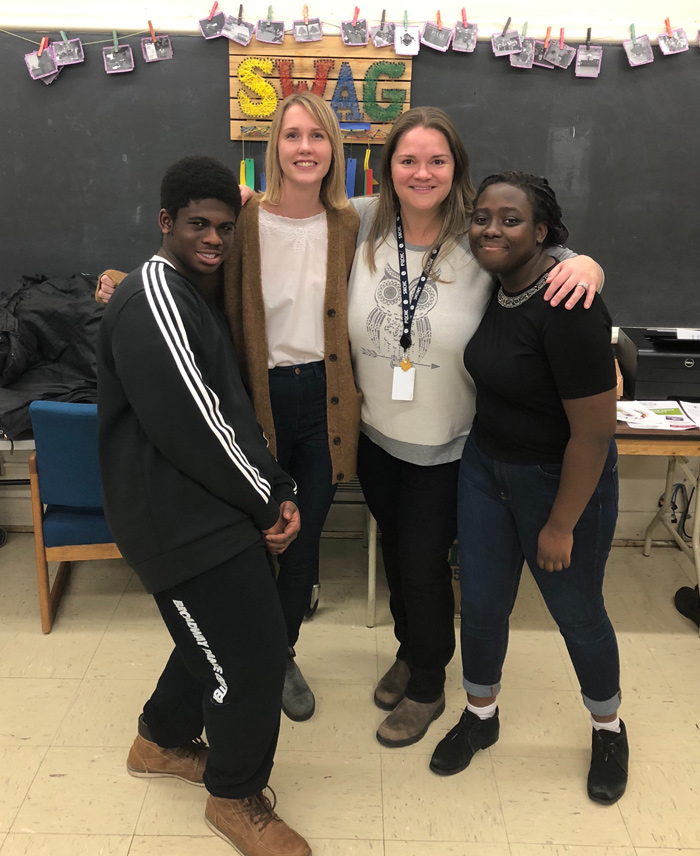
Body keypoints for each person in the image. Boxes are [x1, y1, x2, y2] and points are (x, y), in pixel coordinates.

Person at [96, 93, 360, 724]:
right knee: (257, 536)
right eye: (292, 135)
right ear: (274, 146)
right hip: (258, 397)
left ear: (333, 150)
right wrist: (114, 276)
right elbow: (185, 268)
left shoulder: (356, 222)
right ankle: (248, 652)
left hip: (326, 399)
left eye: (317, 136)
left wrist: (577, 260)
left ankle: (282, 651)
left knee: (303, 535)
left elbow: (442, 229)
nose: (304, 148)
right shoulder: (241, 220)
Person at [346, 107, 604, 749]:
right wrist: (246, 196)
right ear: (389, 171)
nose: (422, 172)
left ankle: (429, 683)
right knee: (399, 557)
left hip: (452, 442)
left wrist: (585, 263)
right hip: (377, 435)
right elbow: (287, 211)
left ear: (456, 169)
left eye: (438, 160)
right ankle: (412, 650)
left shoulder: (479, 237)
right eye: (408, 159)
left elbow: (542, 249)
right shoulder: (360, 225)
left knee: (426, 563)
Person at [97, 155, 310, 856]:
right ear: (166, 223)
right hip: (175, 521)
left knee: (211, 640)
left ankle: (157, 742)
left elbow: (231, 413)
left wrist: (274, 492)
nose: (214, 237)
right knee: (252, 659)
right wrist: (266, 505)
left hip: (210, 507)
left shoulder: (193, 292)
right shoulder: (155, 294)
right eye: (198, 224)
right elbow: (197, 425)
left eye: (225, 225)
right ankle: (235, 796)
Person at [429, 171, 627, 805]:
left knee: (578, 614)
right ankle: (480, 718)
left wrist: (562, 523)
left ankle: (608, 727)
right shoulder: (494, 283)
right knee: (482, 607)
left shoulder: (570, 305)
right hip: (485, 470)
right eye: (482, 216)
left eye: (510, 219)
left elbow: (593, 436)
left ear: (542, 231)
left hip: (561, 484)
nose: (491, 228)